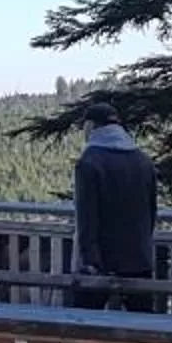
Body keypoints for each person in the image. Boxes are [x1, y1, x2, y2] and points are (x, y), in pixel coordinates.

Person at [68, 101, 161, 311]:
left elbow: (86, 217)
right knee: (143, 326)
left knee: (84, 325)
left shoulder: (90, 162)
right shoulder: (143, 161)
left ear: (91, 127)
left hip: (101, 261)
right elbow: (151, 211)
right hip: (139, 258)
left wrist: (90, 259)